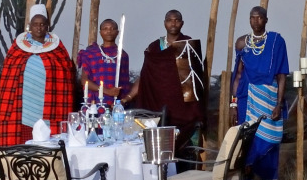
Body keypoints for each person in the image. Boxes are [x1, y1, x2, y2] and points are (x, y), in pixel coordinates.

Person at [0, 4, 78, 146]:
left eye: (42, 24)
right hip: (23, 106)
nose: (39, 27)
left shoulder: (57, 48)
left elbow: (66, 75)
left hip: (50, 104)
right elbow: (8, 75)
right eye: (35, 24)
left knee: (47, 145)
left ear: (47, 26)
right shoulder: (18, 47)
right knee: (23, 144)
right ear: (30, 26)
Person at [232, 5, 290, 180]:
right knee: (248, 139)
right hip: (247, 99)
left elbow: (282, 75)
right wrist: (233, 103)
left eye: (259, 18)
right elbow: (238, 75)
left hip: (270, 96)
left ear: (266, 20)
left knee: (269, 139)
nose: (255, 21)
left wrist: (279, 103)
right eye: (252, 18)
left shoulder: (276, 42)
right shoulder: (242, 43)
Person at [133, 10, 210, 145]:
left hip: (182, 107)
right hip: (158, 102)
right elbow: (146, 76)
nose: (173, 23)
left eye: (177, 20)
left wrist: (195, 108)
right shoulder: (154, 47)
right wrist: (128, 97)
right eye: (169, 20)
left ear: (182, 23)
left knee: (186, 148)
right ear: (164, 23)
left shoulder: (188, 45)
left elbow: (194, 81)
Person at [76, 18, 134, 106]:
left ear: (117, 32)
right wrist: (107, 91)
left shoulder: (123, 55)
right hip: (94, 101)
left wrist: (121, 100)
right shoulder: (90, 53)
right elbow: (84, 80)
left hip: (115, 102)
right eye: (105, 29)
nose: (109, 31)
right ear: (100, 32)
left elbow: (124, 82)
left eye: (112, 29)